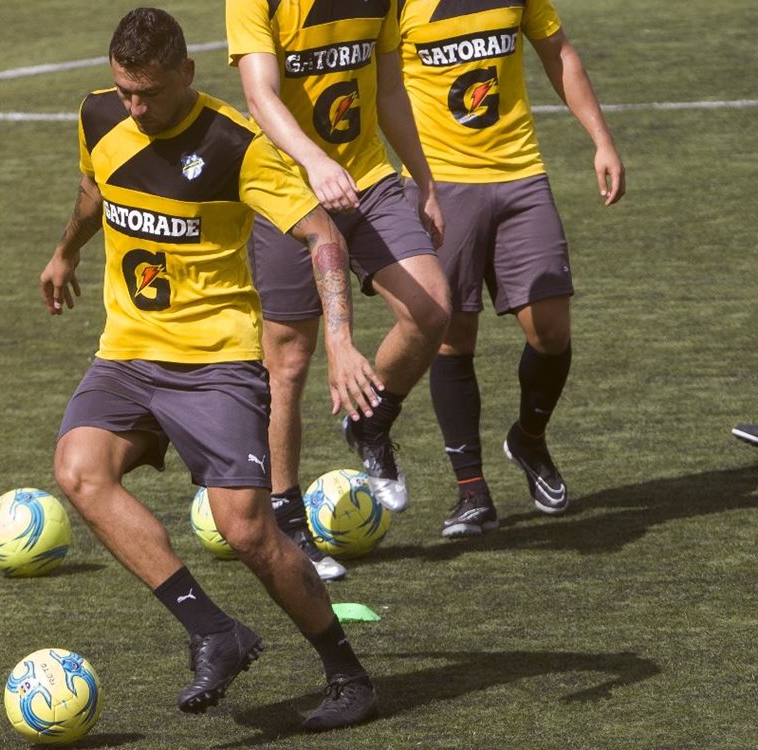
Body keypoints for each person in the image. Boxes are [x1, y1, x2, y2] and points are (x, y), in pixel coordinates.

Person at [41, 7, 381, 731]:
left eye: (152, 93)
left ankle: (348, 674)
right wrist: (66, 251)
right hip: (127, 354)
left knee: (247, 530)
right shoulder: (99, 115)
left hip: (215, 365)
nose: (138, 106)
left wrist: (344, 342)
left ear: (187, 73)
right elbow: (95, 188)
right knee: (78, 469)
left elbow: (322, 235)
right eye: (127, 92)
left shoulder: (238, 144)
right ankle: (212, 631)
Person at [226, 0, 453, 579]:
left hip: (369, 179)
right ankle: (286, 518)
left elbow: (391, 91)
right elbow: (260, 96)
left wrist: (423, 179)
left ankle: (370, 422)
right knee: (290, 361)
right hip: (286, 189)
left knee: (431, 311)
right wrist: (314, 162)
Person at [394, 0, 626, 537]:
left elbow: (558, 51)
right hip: (441, 185)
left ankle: (528, 438)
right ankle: (471, 491)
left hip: (521, 176)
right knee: (453, 336)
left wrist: (602, 140)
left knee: (551, 331)